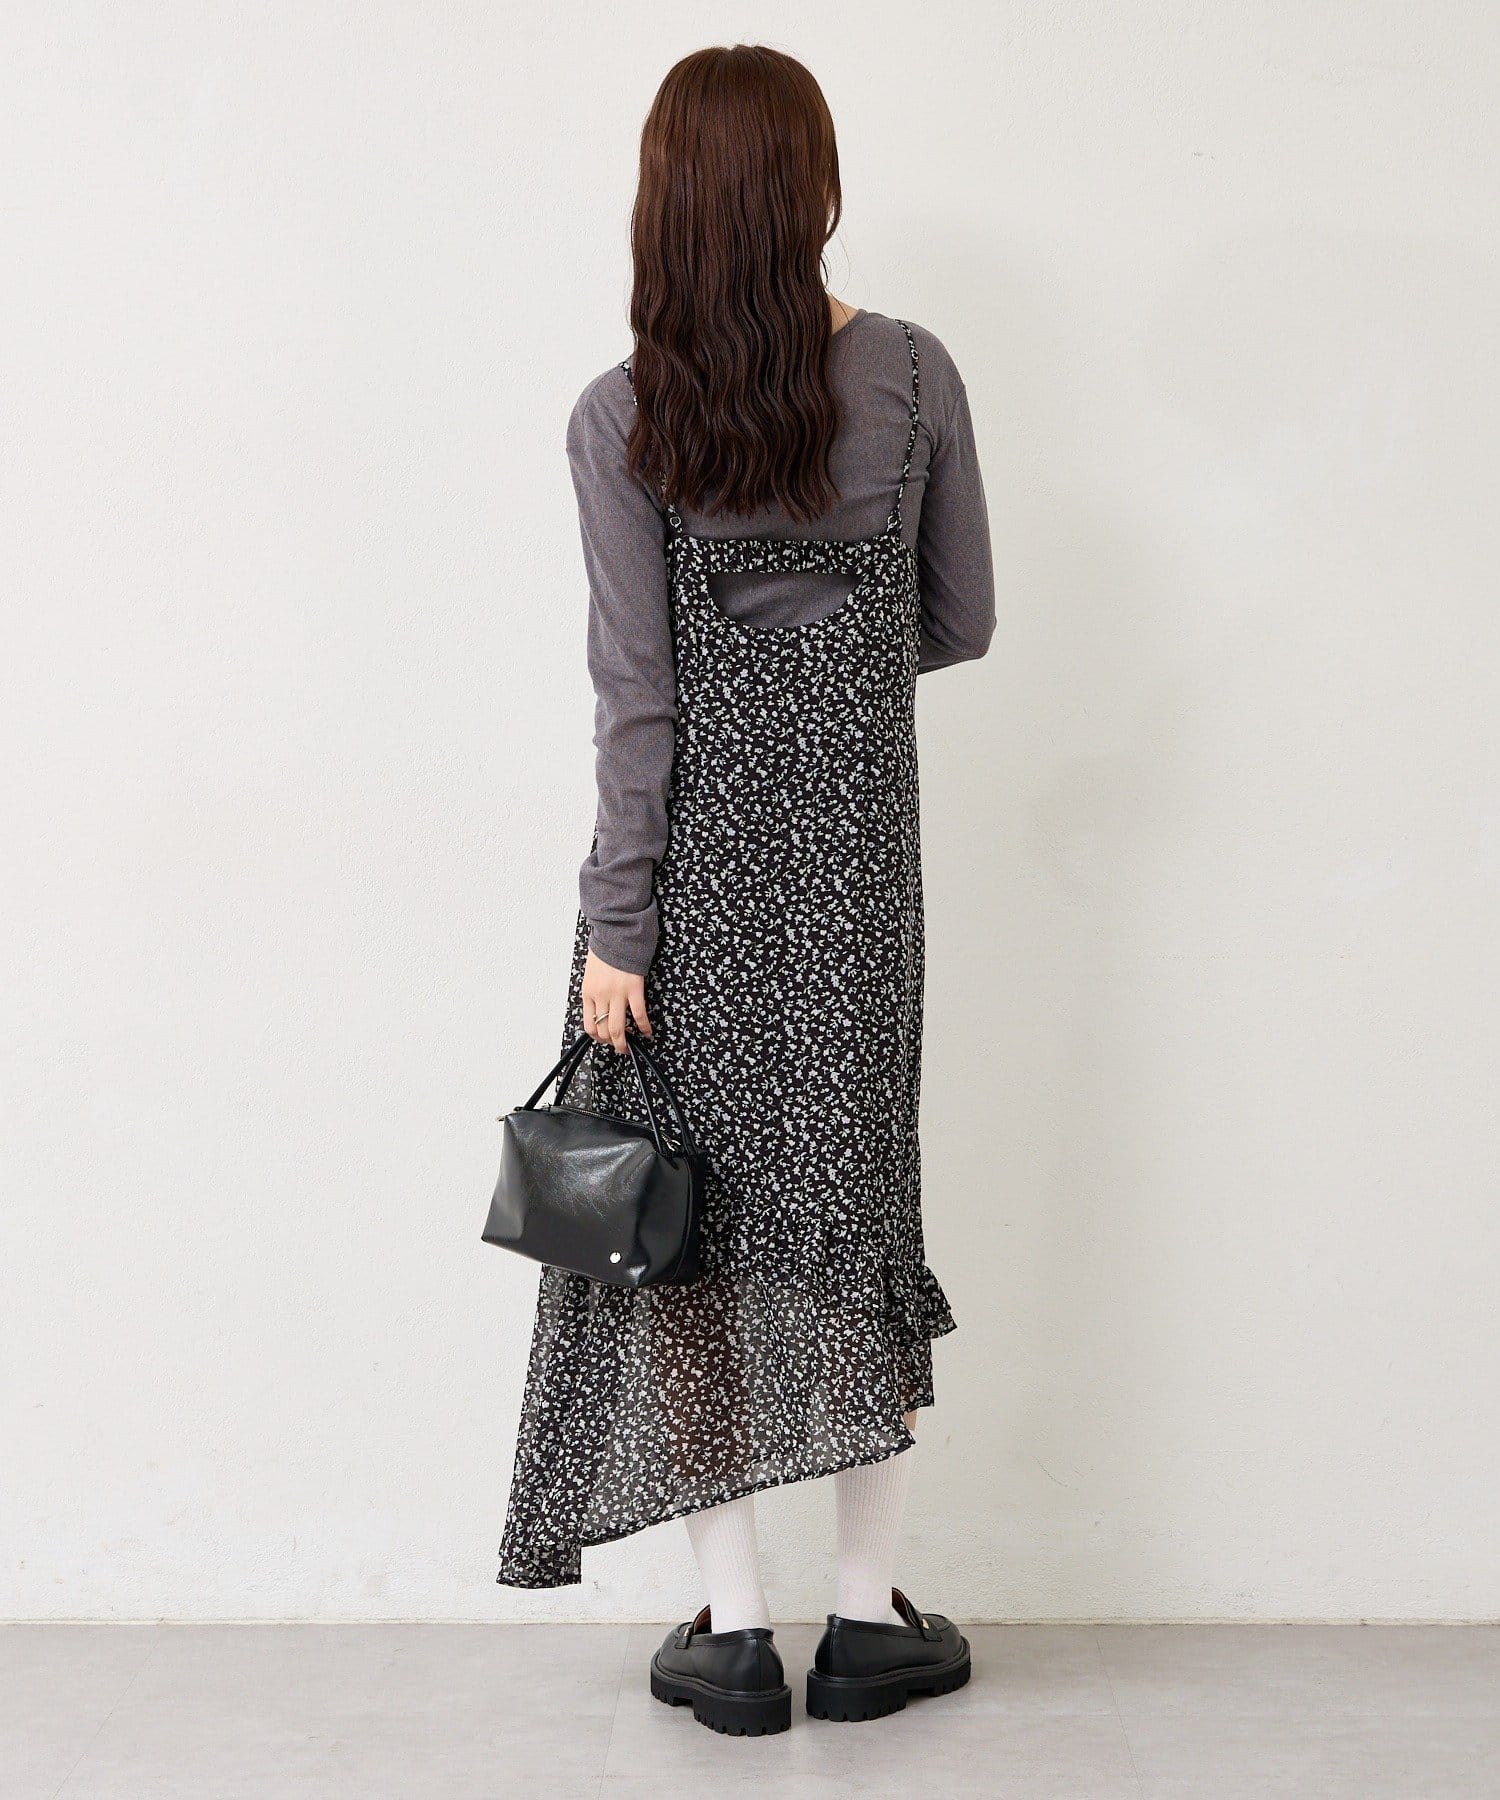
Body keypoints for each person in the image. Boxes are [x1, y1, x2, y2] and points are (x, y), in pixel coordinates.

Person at [497, 43, 996, 1737]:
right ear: (816, 189)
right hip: (855, 886)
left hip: (683, 900)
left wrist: (616, 929)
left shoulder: (620, 414)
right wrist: (828, 687)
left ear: (666, 202)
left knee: (684, 1237)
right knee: (856, 1223)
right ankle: (867, 1623)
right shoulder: (914, 372)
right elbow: (960, 619)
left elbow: (637, 698)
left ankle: (730, 1634)